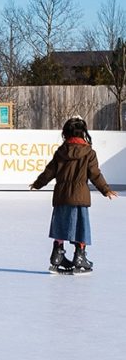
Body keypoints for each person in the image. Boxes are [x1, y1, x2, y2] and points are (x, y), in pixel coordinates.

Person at [31, 116, 117, 273]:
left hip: (61, 196)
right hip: (79, 197)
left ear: (66, 133)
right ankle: (80, 256)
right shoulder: (89, 153)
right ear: (83, 133)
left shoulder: (61, 152)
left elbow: (49, 171)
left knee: (60, 224)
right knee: (80, 226)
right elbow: (95, 174)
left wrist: (38, 184)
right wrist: (105, 189)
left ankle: (57, 255)